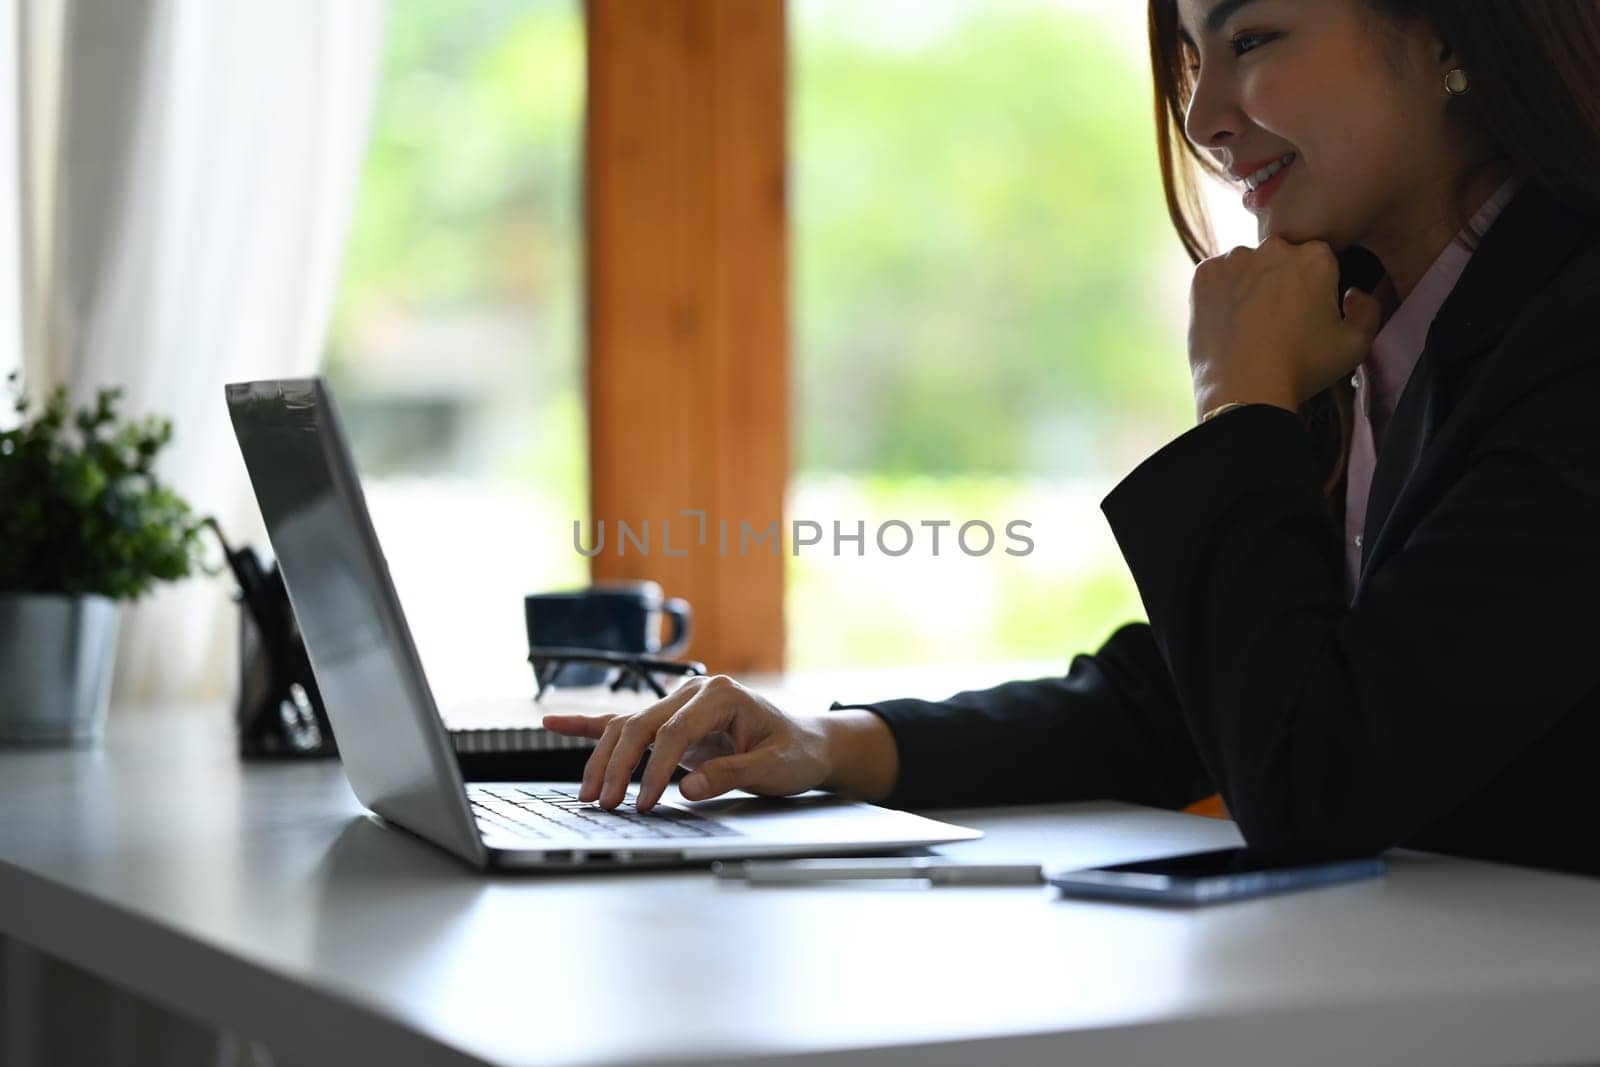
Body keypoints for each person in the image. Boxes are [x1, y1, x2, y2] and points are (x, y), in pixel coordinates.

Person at [543, 0, 1600, 878]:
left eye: (1253, 40)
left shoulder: (1568, 340)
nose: (1201, 114)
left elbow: (1317, 779)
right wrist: (827, 742)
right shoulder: (1358, 319)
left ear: (1449, 30)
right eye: (1190, 57)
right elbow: (1178, 702)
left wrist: (1242, 406)